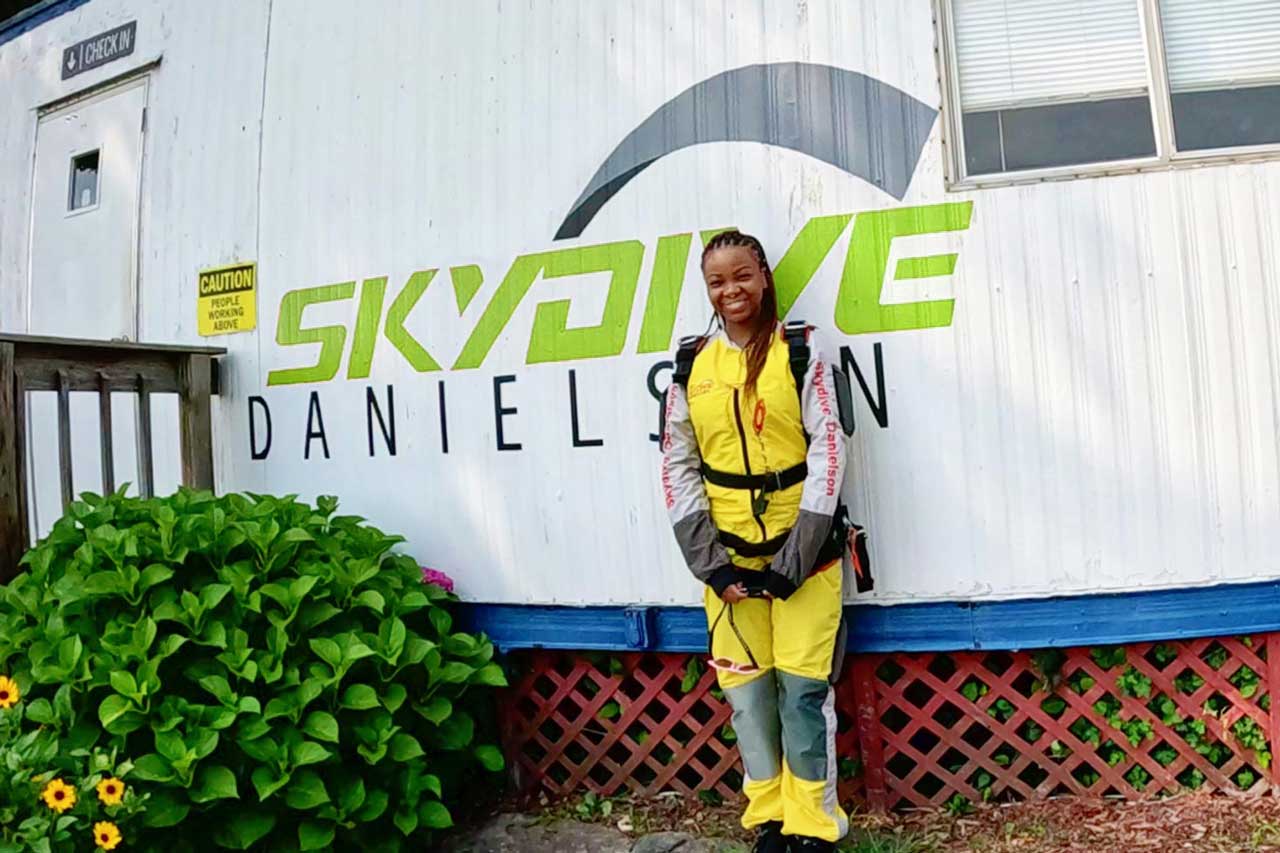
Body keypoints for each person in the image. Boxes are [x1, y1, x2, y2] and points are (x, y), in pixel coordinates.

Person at [660, 230, 849, 852]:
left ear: (763, 275)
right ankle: (768, 819)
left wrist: (794, 559)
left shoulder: (802, 350)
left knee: (801, 695)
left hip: (805, 560)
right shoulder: (691, 364)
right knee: (747, 699)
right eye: (717, 281)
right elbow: (677, 464)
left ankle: (813, 825)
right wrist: (711, 567)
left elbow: (829, 449)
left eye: (741, 275)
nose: (730, 291)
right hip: (729, 569)